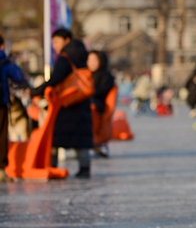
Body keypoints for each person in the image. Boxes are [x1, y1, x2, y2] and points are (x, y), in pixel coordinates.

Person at [30, 29, 93, 178]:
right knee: (81, 139)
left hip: (66, 102)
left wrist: (36, 91)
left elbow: (55, 78)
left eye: (56, 42)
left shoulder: (65, 57)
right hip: (82, 100)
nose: (54, 46)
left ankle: (51, 166)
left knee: (56, 137)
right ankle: (85, 168)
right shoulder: (83, 54)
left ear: (66, 40)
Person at [1, 34, 27, 182]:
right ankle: (0, 170)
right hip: (1, 104)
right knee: (1, 136)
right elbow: (19, 77)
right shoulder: (4, 61)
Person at [88, 50, 115, 157]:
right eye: (89, 60)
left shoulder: (106, 76)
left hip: (97, 105)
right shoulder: (85, 73)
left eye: (94, 60)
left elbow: (102, 91)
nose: (91, 63)